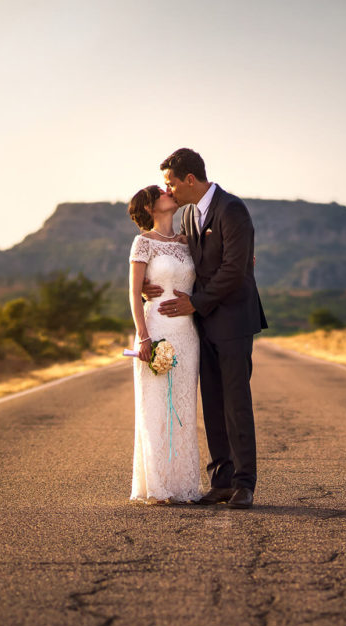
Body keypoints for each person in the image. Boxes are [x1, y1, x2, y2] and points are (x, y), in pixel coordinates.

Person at [145, 148, 267, 509]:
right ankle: (222, 481)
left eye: (171, 183)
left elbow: (234, 270)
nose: (169, 191)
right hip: (203, 327)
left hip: (232, 321)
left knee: (235, 402)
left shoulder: (232, 210)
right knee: (212, 402)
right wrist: (145, 284)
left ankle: (245, 483)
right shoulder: (187, 218)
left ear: (190, 180)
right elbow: (179, 264)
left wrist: (195, 302)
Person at [127, 184, 202, 504]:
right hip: (155, 328)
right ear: (149, 207)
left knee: (184, 406)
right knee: (156, 407)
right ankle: (157, 485)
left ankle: (183, 485)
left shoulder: (189, 242)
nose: (169, 192)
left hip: (187, 334)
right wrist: (144, 337)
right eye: (161, 192)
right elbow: (133, 293)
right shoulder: (143, 243)